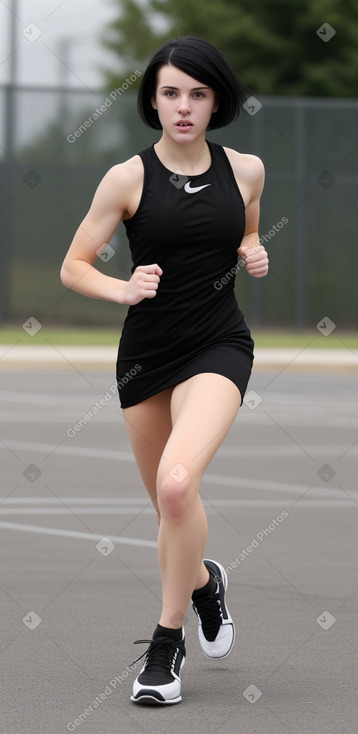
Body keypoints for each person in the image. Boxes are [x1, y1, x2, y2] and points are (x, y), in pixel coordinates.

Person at [60, 35, 268, 706]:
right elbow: (74, 265)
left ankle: (164, 644)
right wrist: (120, 289)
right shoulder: (126, 178)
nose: (184, 106)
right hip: (146, 355)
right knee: (167, 510)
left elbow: (245, 228)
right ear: (153, 99)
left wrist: (252, 246)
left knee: (178, 488)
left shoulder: (245, 170)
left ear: (216, 101)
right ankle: (205, 582)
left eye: (198, 94)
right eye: (171, 92)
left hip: (217, 345)